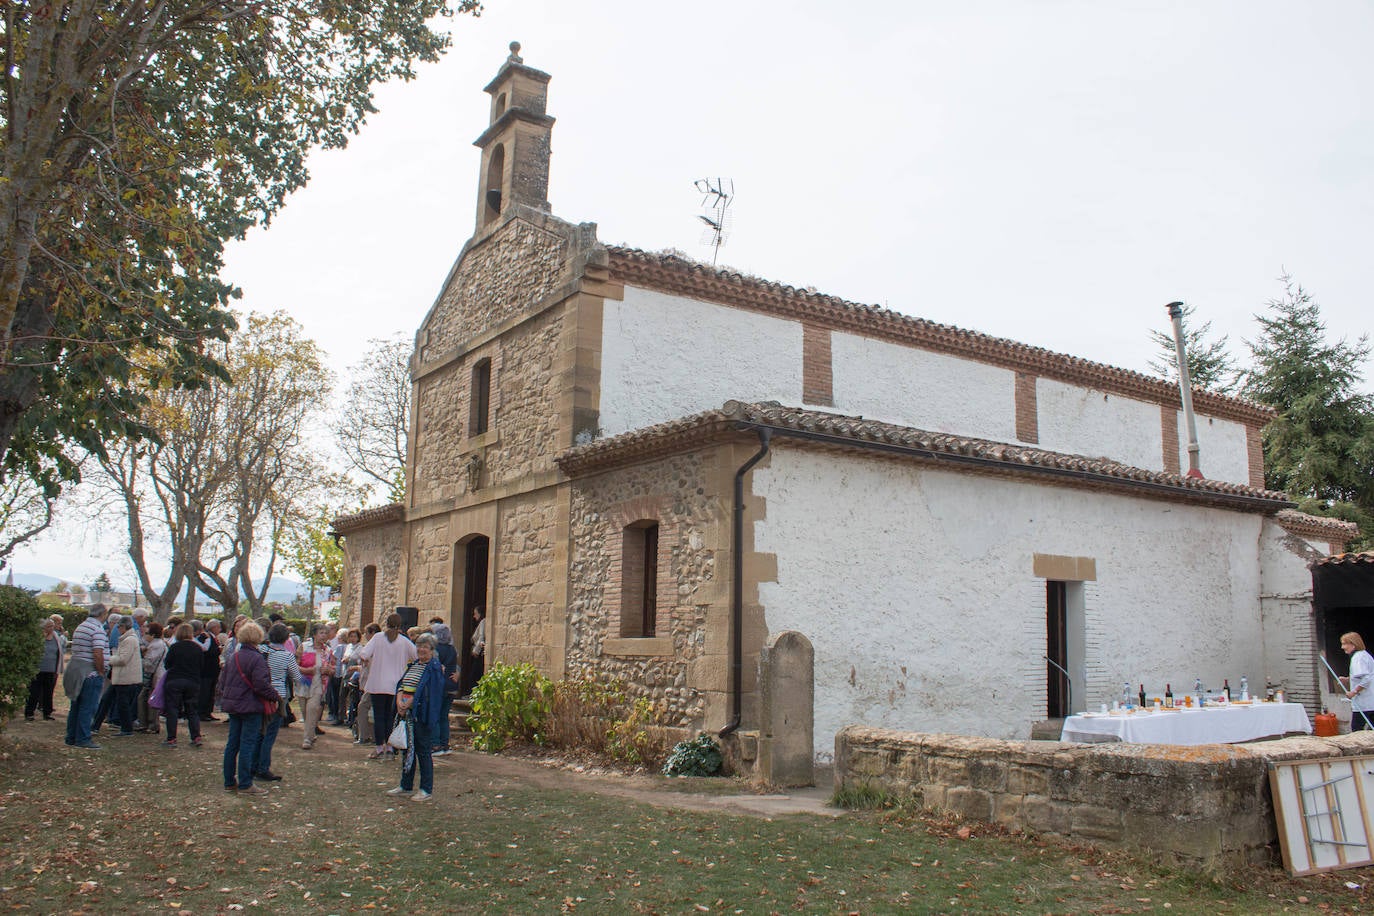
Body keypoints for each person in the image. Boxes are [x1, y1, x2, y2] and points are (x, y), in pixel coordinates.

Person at [218, 621, 279, 796]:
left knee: (233, 743)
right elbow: (261, 684)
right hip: (251, 705)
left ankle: (229, 780)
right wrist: (274, 696)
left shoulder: (233, 657)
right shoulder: (256, 658)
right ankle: (245, 783)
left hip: (234, 704)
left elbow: (223, 682)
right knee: (247, 743)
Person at [386, 632, 444, 802]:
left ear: (432, 650)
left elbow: (432, 694)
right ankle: (405, 785)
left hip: (421, 715)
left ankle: (426, 789)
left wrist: (410, 703)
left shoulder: (434, 668)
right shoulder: (413, 665)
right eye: (419, 646)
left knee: (422, 751)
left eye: (425, 647)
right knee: (406, 749)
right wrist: (399, 702)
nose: (421, 649)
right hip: (405, 713)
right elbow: (402, 684)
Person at [359, 613, 416, 760]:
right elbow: (416, 656)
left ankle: (379, 747)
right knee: (391, 717)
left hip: (377, 683)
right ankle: (390, 748)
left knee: (379, 716)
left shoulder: (378, 638)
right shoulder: (404, 641)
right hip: (396, 686)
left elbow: (364, 654)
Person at [253, 623, 302, 782]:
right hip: (277, 696)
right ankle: (263, 767)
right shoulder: (287, 655)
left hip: (259, 694)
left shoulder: (261, 651)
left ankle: (253, 765)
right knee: (269, 734)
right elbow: (297, 676)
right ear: (286, 638)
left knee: (258, 732)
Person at [64, 604, 108, 749]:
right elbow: (97, 652)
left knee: (76, 705)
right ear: (103, 614)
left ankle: (71, 736)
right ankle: (83, 738)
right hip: (91, 672)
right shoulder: (97, 630)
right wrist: (101, 671)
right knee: (87, 707)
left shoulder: (81, 626)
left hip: (77, 670)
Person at [162, 623, 204, 748]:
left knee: (172, 709)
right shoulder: (197, 648)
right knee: (192, 710)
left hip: (175, 680)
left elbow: (167, 663)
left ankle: (171, 738)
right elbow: (202, 666)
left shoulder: (175, 647)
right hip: (192, 681)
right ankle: (196, 736)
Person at [108, 615, 143, 737]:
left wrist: (110, 659)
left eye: (119, 627)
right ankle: (125, 727)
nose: (117, 629)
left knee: (124, 705)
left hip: (126, 678)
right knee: (122, 704)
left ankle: (127, 729)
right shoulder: (129, 639)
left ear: (123, 627)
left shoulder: (129, 640)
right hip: (126, 677)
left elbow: (123, 659)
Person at [24, 618, 64, 721]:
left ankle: (47, 713)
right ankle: (29, 713)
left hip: (51, 670)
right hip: (38, 670)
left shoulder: (56, 636)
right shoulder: (37, 637)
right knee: (34, 692)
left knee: (48, 692)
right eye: (49, 626)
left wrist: (57, 669)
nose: (52, 628)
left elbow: (59, 652)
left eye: (52, 626)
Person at [431, 623, 460, 755]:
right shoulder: (452, 649)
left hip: (440, 685)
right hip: (452, 686)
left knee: (436, 715)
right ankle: (445, 744)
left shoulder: (436, 649)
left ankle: (436, 745)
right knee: (444, 716)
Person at [138, 622, 169, 734]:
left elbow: (149, 663)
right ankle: (146, 723)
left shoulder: (156, 645)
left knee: (149, 699)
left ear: (152, 634)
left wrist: (139, 660)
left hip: (155, 675)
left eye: (147, 633)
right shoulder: (158, 644)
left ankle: (151, 724)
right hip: (155, 675)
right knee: (146, 698)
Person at [1340, 632, 1374, 731]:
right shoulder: (1364, 655)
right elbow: (1361, 675)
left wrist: (1354, 692)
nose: (1342, 647)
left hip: (1364, 703)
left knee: (1356, 730)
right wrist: (1347, 679)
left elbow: (1366, 679)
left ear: (1353, 644)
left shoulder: (1358, 658)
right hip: (1369, 702)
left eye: (1344, 644)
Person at [197, 619, 222, 720]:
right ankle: (202, 712)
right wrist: (218, 650)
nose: (220, 629)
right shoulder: (205, 636)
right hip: (206, 670)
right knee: (205, 692)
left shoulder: (214, 638)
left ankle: (208, 711)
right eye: (218, 627)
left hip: (213, 670)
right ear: (214, 627)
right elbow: (205, 651)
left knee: (211, 692)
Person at [468, 606, 486, 695]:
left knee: (474, 674)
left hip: (479, 653)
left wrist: (476, 651)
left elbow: (481, 637)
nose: (474, 616)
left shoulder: (483, 622)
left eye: (475, 614)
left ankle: (474, 694)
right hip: (479, 651)